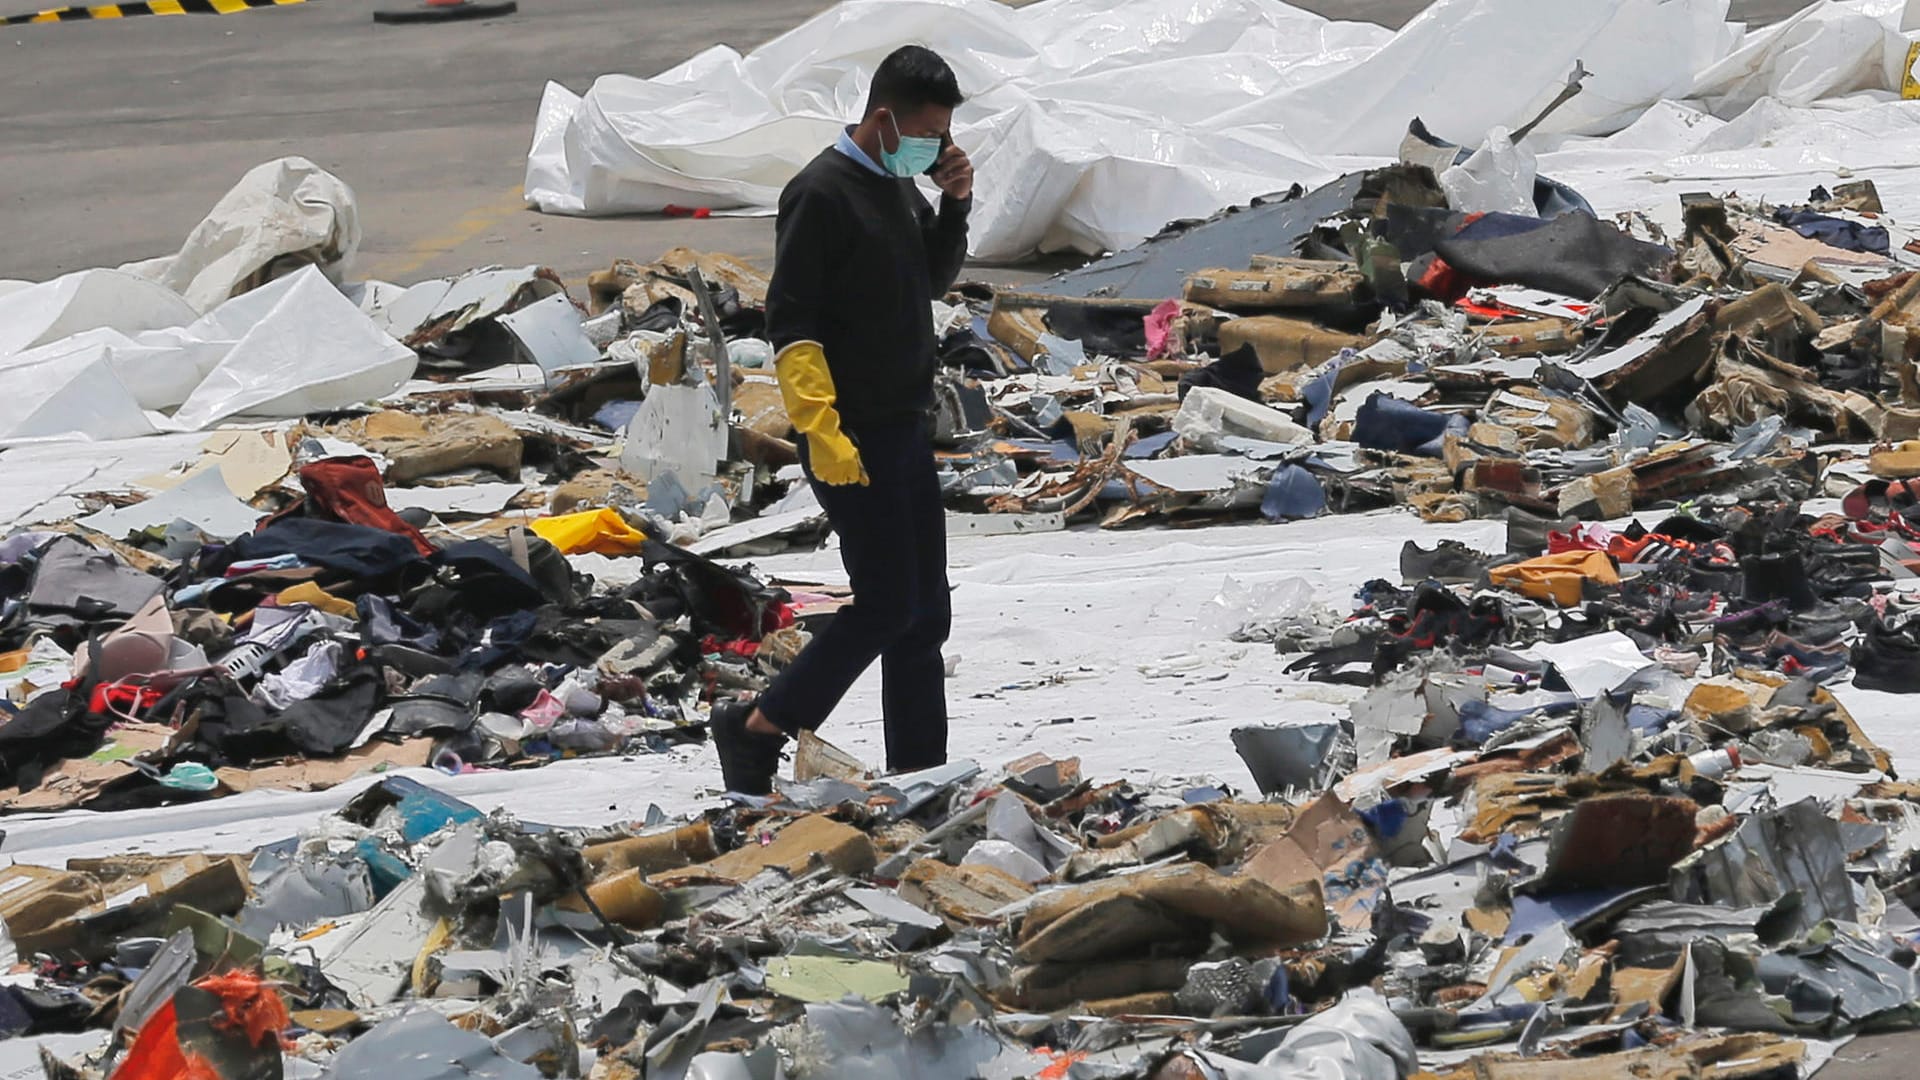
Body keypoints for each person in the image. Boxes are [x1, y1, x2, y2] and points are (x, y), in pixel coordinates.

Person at [710, 45, 974, 795]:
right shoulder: (820, 193)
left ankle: (922, 774)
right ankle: (758, 725)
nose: (935, 147)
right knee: (888, 603)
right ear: (883, 119)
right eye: (927, 133)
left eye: (944, 136)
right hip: (851, 435)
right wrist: (819, 428)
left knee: (924, 614)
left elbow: (930, 277)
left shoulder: (897, 186)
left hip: (905, 425)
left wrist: (953, 203)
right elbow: (791, 321)